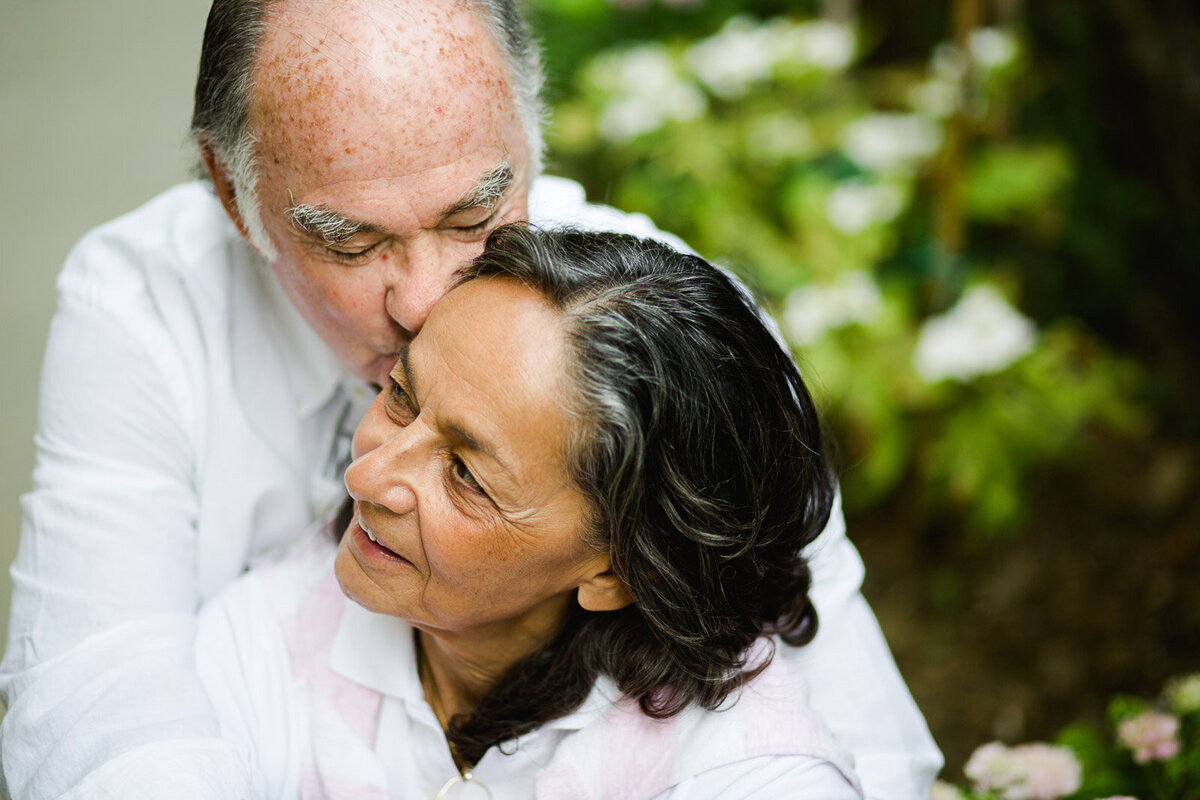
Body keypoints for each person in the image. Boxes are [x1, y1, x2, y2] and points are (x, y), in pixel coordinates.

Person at [0, 1, 940, 798]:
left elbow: (851, 711)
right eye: (353, 243)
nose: (426, 301)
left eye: (472, 220)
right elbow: (98, 686)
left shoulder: (669, 334)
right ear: (229, 192)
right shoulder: (146, 305)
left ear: (531, 140)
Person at [195, 224, 863, 799]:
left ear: (618, 573)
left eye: (465, 474)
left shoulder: (747, 775)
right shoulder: (263, 637)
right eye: (401, 394)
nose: (366, 474)